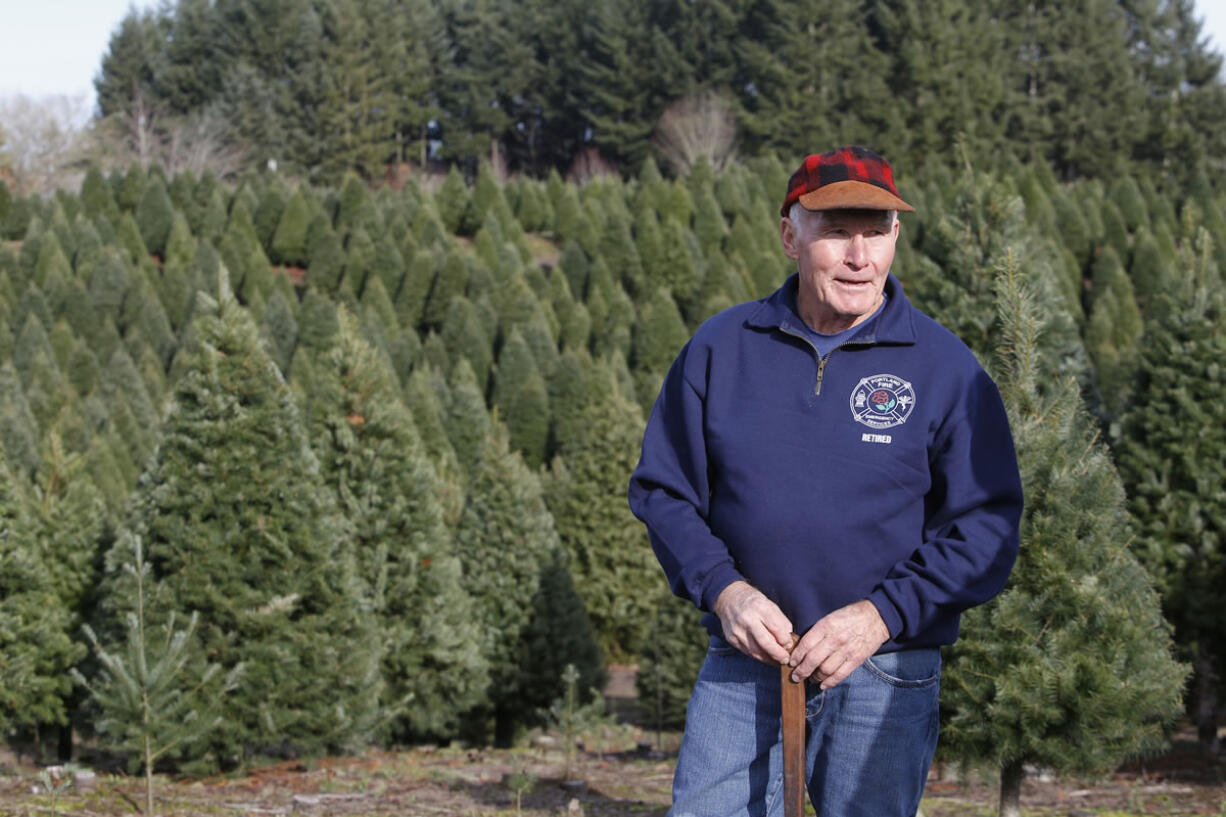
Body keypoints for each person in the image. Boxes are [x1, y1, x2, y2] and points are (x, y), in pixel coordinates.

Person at [627, 145, 1023, 817]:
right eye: (837, 230)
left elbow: (986, 523)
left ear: (897, 236)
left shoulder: (946, 369)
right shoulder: (723, 348)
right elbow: (665, 490)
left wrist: (883, 614)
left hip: (882, 668)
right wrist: (726, 593)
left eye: (876, 232)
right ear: (791, 234)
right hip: (745, 659)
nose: (858, 256)